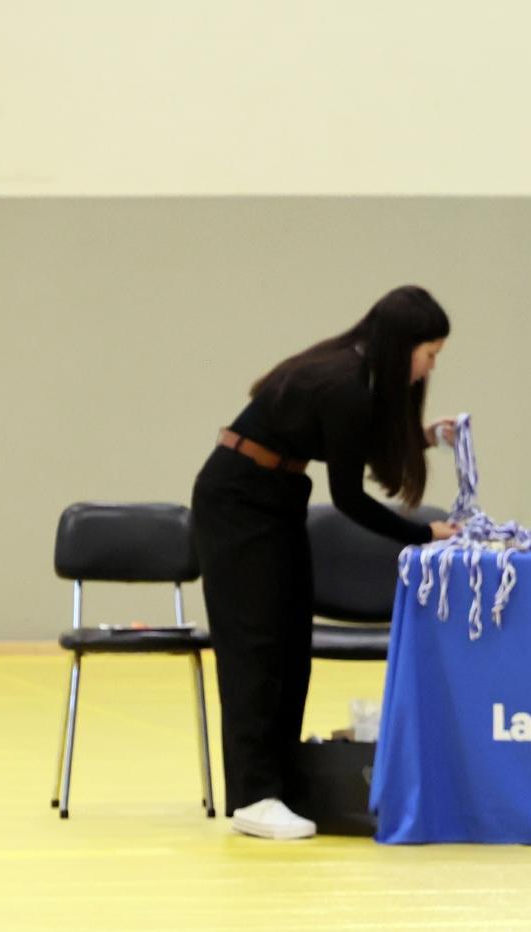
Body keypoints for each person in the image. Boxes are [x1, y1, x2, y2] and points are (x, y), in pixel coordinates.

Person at [191, 286, 461, 841]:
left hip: (276, 497)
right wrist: (421, 533)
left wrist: (424, 438)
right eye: (429, 354)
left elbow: (351, 446)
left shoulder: (355, 376)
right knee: (255, 649)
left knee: (292, 647)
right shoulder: (344, 383)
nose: (430, 368)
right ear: (403, 346)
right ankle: (252, 796)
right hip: (237, 502)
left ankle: (280, 783)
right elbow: (349, 498)